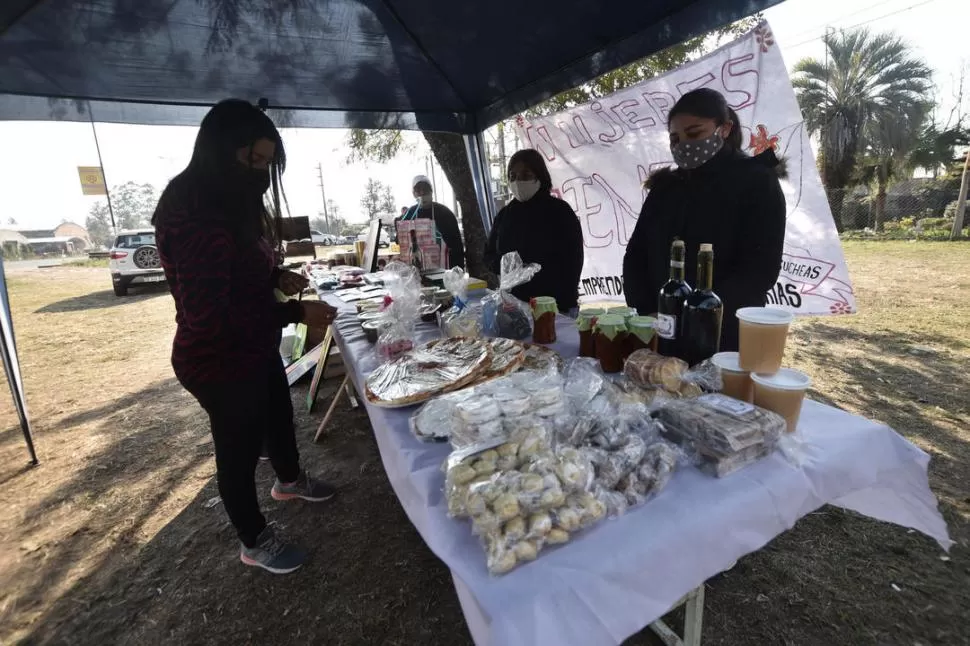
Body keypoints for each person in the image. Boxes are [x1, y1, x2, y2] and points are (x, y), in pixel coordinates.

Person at [152, 99, 339, 574]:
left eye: (267, 162)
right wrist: (294, 312)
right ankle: (253, 538)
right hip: (215, 358)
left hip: (251, 346)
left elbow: (241, 265)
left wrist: (274, 274)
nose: (261, 172)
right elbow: (212, 314)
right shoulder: (194, 214)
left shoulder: (230, 198)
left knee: (277, 409)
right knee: (237, 448)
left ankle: (290, 479)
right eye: (252, 159)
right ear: (220, 150)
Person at [623, 88, 787, 353]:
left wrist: (700, 312)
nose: (683, 145)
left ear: (724, 128)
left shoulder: (756, 181)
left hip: (723, 336)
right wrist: (647, 310)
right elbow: (636, 255)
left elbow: (760, 270)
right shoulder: (665, 187)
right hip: (661, 330)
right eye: (675, 138)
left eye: (694, 133)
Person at [484, 149, 584, 313]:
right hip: (513, 306)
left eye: (526, 175)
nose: (518, 181)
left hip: (555, 307)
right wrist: (505, 265)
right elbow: (488, 254)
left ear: (540, 176)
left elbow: (573, 260)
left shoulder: (559, 211)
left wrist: (532, 270)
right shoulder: (504, 215)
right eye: (512, 176)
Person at [399, 175, 465, 268]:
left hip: (443, 268)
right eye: (418, 190)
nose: (422, 193)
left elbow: (457, 246)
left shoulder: (445, 213)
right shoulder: (410, 213)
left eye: (425, 190)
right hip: (417, 268)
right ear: (414, 194)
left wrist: (457, 271)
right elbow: (400, 239)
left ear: (431, 191)